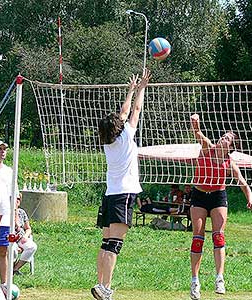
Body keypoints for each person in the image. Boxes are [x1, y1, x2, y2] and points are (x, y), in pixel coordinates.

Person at [91, 69, 151, 300]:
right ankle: (105, 287)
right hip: (123, 195)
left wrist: (131, 89)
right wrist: (141, 88)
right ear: (118, 126)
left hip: (110, 196)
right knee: (114, 245)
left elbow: (124, 112)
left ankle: (100, 285)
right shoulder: (126, 135)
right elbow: (134, 110)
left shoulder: (107, 142)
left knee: (106, 243)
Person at [188, 114, 252, 300]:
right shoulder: (207, 148)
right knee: (198, 238)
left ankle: (219, 278)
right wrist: (196, 122)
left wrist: (250, 199)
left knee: (218, 236)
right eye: (223, 136)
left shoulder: (230, 163)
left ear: (231, 146)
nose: (222, 138)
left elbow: (243, 183)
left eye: (227, 138)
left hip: (218, 195)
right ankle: (195, 281)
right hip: (199, 195)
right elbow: (198, 133)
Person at [0, 140, 13, 287]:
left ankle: (4, 283)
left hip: (4, 217)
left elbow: (14, 196)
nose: (2, 152)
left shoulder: (8, 172)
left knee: (3, 250)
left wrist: (14, 217)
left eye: (4, 149)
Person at [13, 193, 37, 275]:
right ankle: (8, 269)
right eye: (15, 198)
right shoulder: (5, 213)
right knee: (14, 250)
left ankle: (15, 268)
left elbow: (28, 228)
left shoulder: (22, 212)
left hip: (21, 238)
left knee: (32, 247)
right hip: (10, 238)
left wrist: (26, 236)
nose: (17, 201)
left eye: (18, 199)